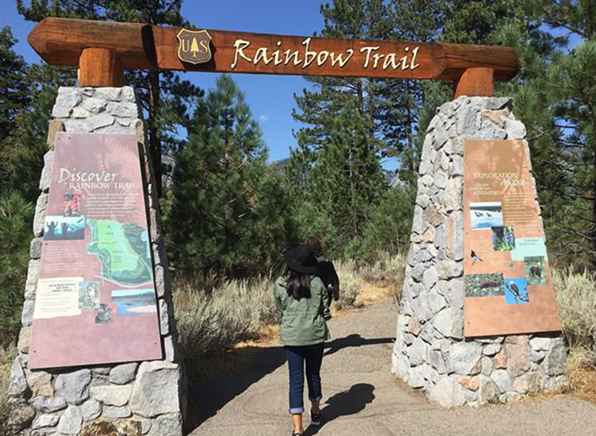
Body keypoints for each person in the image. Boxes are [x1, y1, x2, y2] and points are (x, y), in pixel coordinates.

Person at [274, 245, 331, 436]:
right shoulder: (318, 283)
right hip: (315, 336)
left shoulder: (280, 285)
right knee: (314, 374)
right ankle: (315, 412)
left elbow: (280, 309)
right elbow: (325, 311)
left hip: (293, 338)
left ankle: (298, 429)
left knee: (295, 380)